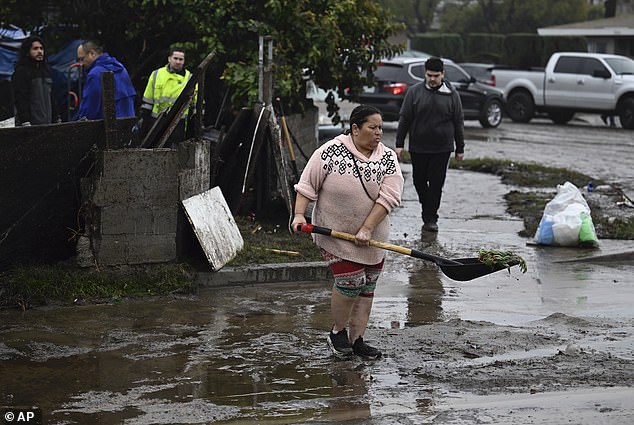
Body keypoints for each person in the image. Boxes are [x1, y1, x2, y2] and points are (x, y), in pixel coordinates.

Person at [291, 104, 404, 360]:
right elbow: (307, 185)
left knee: (367, 287)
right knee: (351, 282)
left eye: (380, 128)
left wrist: (367, 228)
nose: (378, 133)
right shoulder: (330, 152)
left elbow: (390, 197)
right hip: (335, 235)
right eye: (372, 127)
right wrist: (299, 214)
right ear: (355, 128)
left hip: (373, 238)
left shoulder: (387, 158)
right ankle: (337, 332)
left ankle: (357, 340)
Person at [394, 56, 464, 232]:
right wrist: (399, 143)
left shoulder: (452, 94)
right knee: (419, 181)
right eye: (429, 75)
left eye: (436, 76)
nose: (432, 79)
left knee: (436, 184)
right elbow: (405, 118)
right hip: (419, 147)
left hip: (442, 148)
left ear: (443, 74)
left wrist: (460, 148)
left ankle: (430, 218)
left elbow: (458, 122)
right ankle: (428, 208)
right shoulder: (414, 92)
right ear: (425, 74)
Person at [139, 47, 196, 147]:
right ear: (169, 59)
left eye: (181, 59)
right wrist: (144, 120)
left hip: (178, 124)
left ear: (184, 61)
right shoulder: (157, 74)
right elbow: (148, 100)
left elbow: (196, 104)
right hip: (156, 122)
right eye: (175, 58)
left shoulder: (190, 79)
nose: (178, 62)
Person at [76, 40, 136, 120]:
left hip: (108, 128)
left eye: (82, 59)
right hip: (128, 124)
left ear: (92, 54)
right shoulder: (120, 67)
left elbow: (89, 110)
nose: (80, 64)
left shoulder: (95, 74)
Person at [11, 35, 60, 126]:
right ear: (27, 52)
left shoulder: (46, 72)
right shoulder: (21, 72)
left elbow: (52, 97)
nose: (39, 51)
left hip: (47, 124)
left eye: (41, 48)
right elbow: (21, 98)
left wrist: (56, 118)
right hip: (29, 125)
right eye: (35, 48)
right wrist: (25, 121)